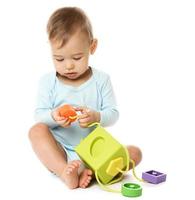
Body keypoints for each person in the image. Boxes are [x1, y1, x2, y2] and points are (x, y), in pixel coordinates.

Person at [28, 7, 142, 189]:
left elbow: (113, 114)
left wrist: (97, 116)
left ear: (92, 47)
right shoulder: (47, 82)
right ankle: (65, 172)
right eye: (59, 59)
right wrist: (53, 116)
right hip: (61, 151)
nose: (69, 66)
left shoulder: (101, 80)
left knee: (135, 153)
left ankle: (93, 172)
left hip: (94, 151)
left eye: (77, 57)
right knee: (36, 131)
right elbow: (39, 114)